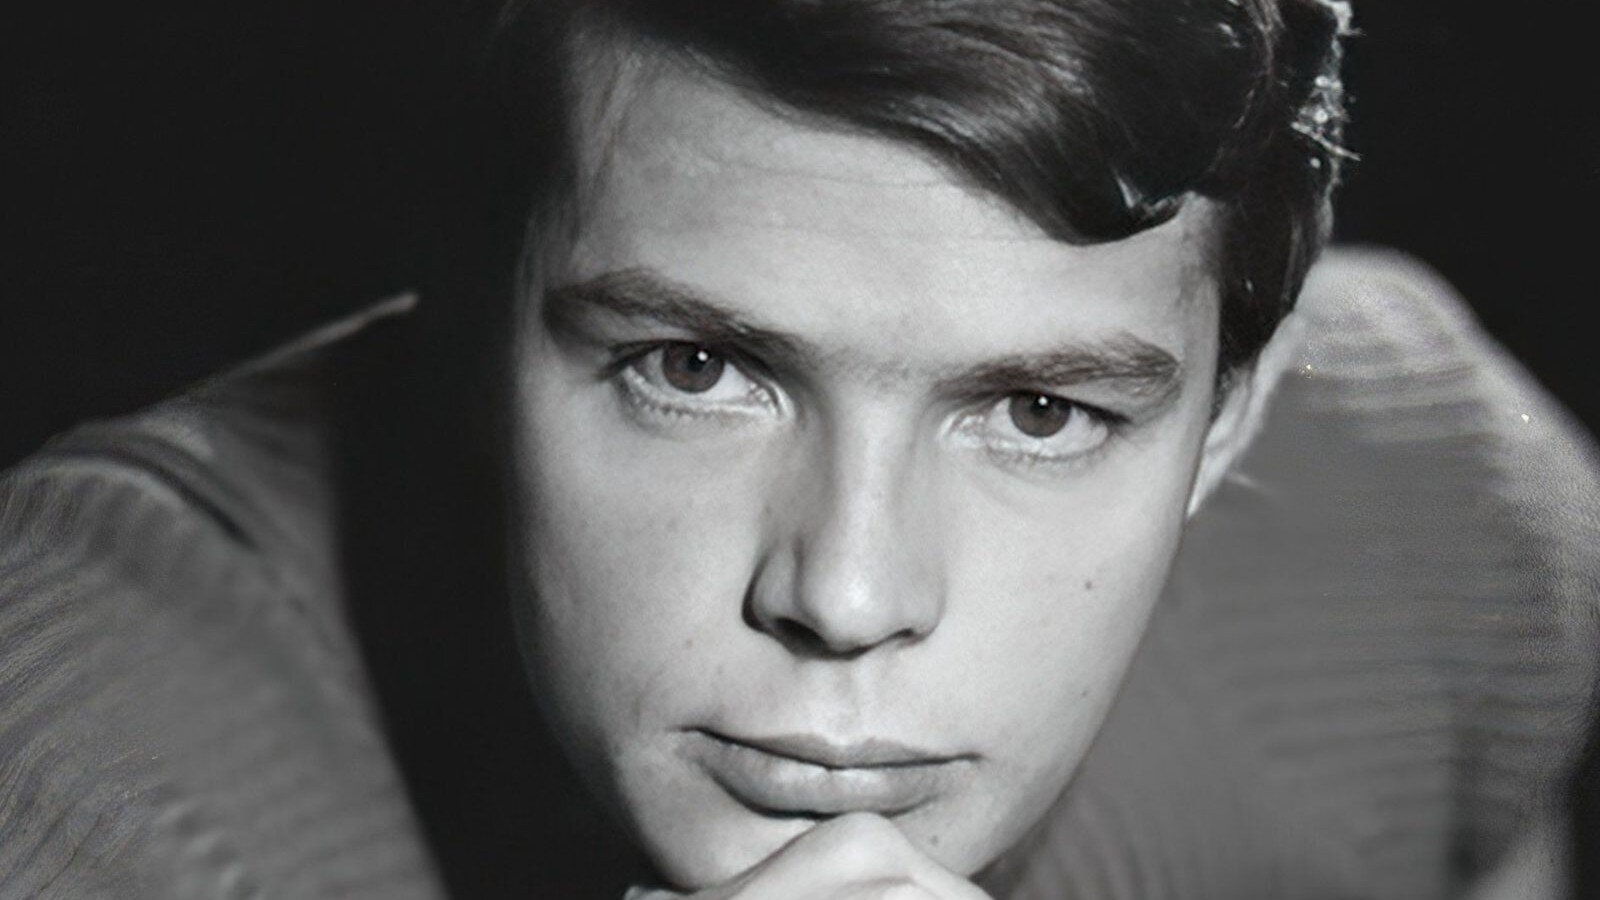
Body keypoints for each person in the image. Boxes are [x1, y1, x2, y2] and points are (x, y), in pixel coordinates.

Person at [1, 1, 1595, 898]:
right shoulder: (66, 760)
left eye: (1040, 412)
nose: (846, 595)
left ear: (1232, 412)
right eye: (695, 368)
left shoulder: (1432, 502)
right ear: (468, 329)